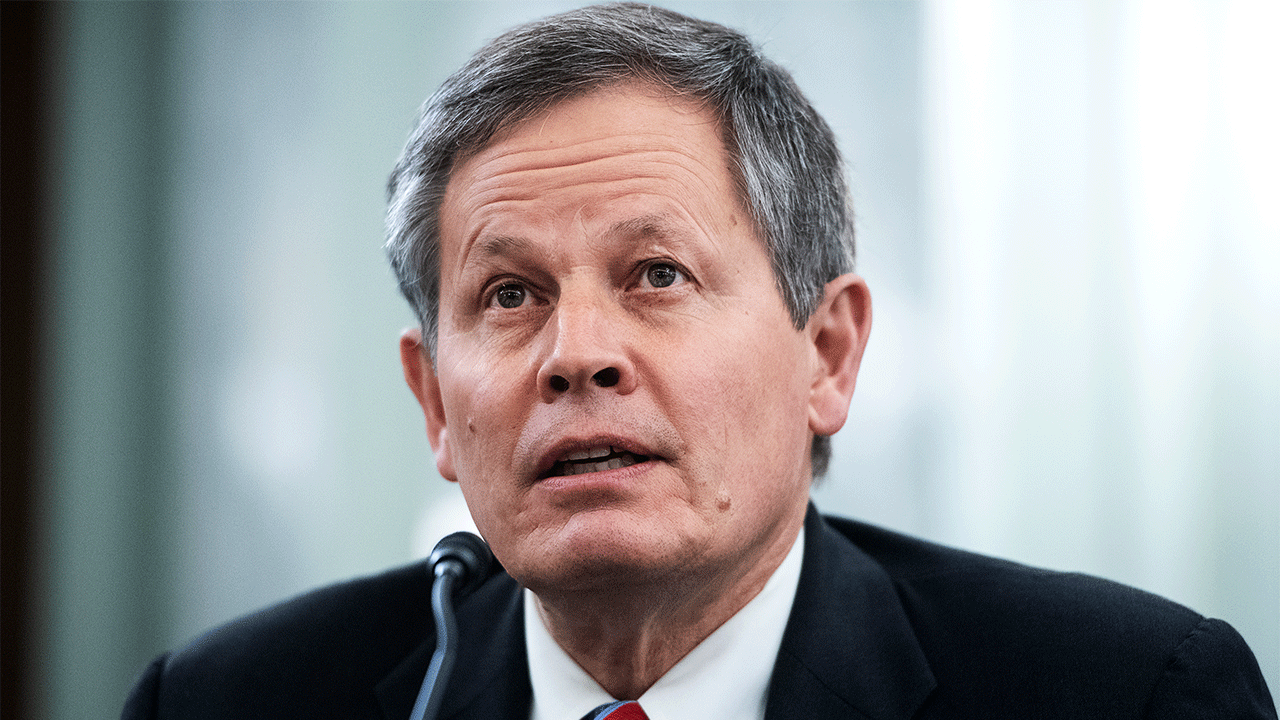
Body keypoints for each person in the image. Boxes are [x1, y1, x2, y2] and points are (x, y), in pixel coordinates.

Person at [122, 4, 1275, 719]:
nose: (577, 357)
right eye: (510, 294)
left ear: (824, 354)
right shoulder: (230, 700)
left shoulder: (1123, 697)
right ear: (432, 400)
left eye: (656, 276)